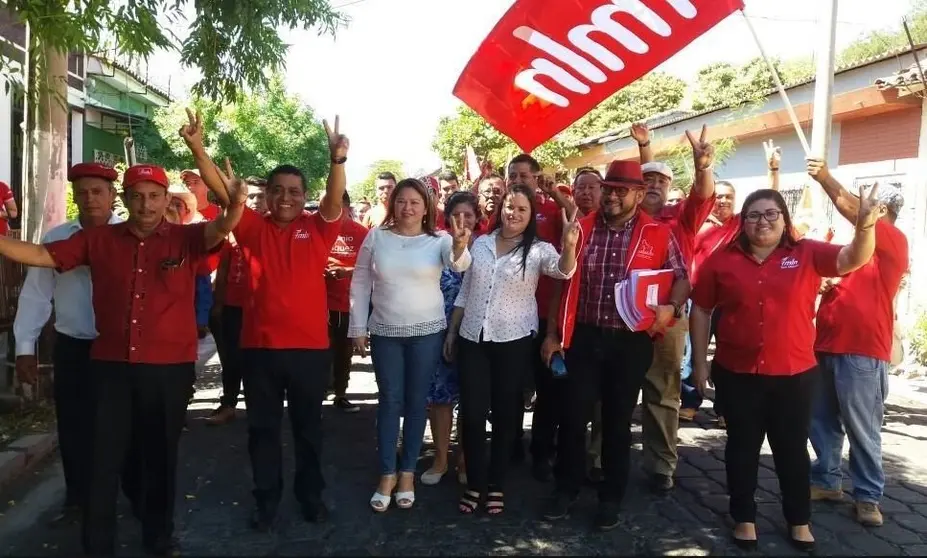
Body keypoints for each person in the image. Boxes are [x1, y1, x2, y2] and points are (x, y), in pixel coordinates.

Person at [0, 160, 243, 555]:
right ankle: (98, 545)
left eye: (153, 196)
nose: (146, 205)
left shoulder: (187, 239)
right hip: (110, 367)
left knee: (159, 458)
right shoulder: (98, 240)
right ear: (126, 200)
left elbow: (225, 226)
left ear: (165, 199)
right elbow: (41, 256)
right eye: (138, 197)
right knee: (102, 459)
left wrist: (234, 201)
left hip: (169, 370)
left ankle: (158, 538)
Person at [182, 109, 349, 531]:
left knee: (310, 432)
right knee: (262, 433)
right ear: (268, 195)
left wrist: (338, 161)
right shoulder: (252, 228)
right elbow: (224, 194)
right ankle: (267, 501)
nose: (286, 198)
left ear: (303, 195)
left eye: (294, 191)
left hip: (310, 352)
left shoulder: (320, 227)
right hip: (259, 351)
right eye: (278, 191)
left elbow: (333, 200)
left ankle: (311, 498)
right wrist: (198, 148)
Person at [690, 187, 882, 551]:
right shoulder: (721, 260)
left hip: (794, 375)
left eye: (770, 214)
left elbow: (852, 259)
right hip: (737, 372)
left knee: (791, 449)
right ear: (742, 222)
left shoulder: (807, 252)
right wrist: (700, 363)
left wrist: (865, 227)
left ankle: (799, 519)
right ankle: (744, 517)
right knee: (742, 448)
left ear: (784, 219)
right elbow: (700, 310)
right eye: (753, 215)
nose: (762, 221)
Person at [540, 159, 690, 531]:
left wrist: (671, 307)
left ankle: (611, 497)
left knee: (617, 421)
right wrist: (553, 334)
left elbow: (682, 278)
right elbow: (562, 280)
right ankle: (566, 488)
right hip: (585, 337)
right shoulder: (582, 228)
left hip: (631, 340)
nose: (610, 196)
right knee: (573, 416)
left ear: (638, 195)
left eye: (620, 190)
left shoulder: (657, 232)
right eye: (608, 188)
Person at [450, 184, 579, 516]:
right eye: (510, 207)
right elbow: (464, 285)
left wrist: (569, 245)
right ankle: (475, 483)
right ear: (501, 208)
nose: (514, 214)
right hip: (472, 338)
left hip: (513, 340)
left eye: (522, 209)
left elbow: (564, 270)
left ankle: (496, 484)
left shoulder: (538, 249)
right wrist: (452, 331)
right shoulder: (479, 243)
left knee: (507, 416)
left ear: (530, 214)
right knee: (474, 415)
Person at [348, 178, 471, 513]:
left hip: (427, 332)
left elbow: (459, 264)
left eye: (415, 201)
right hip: (385, 331)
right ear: (393, 204)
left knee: (418, 402)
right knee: (389, 400)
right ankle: (386, 472)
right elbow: (360, 282)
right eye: (401, 201)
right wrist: (357, 326)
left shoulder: (441, 239)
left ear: (426, 206)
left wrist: (460, 246)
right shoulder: (377, 237)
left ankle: (407, 474)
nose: (408, 207)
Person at [12, 163, 122, 525]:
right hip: (74, 347)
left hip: (124, 350)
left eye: (98, 191)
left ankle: (133, 497)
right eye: (83, 192)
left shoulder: (133, 235)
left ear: (112, 195)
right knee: (74, 428)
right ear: (75, 196)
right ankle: (78, 500)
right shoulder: (57, 238)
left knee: (126, 426)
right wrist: (25, 348)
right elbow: (36, 296)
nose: (90, 199)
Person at [807, 159, 909, 527]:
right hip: (826, 343)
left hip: (864, 349)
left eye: (871, 205)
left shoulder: (894, 241)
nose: (860, 207)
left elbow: (849, 206)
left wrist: (824, 178)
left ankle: (868, 496)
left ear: (883, 212)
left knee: (863, 427)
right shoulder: (850, 245)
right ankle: (826, 480)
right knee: (821, 421)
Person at [629, 123, 716, 494]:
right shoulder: (622, 217)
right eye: (646, 181)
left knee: (663, 393)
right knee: (611, 392)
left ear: (670, 188)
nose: (653, 186)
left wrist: (702, 166)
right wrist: (645, 147)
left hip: (670, 316)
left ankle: (662, 465)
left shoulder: (682, 216)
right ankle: (599, 458)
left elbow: (702, 192)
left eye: (661, 182)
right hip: (622, 317)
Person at [422, 191, 480, 488]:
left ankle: (465, 458)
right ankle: (441, 458)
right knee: (440, 399)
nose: (463, 221)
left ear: (477, 218)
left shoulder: (485, 248)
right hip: (438, 331)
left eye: (468, 215)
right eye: (457, 215)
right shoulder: (436, 246)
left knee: (472, 400)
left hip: (476, 335)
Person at [205, 177, 268, 426]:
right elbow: (223, 268)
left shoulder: (274, 228)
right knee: (230, 357)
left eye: (260, 196)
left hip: (261, 308)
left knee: (259, 361)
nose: (255, 201)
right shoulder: (231, 228)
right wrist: (218, 303)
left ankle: (259, 407)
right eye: (251, 196)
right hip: (232, 304)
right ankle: (228, 403)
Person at [326, 190, 369, 413]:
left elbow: (372, 267)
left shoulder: (361, 232)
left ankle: (341, 393)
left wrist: (346, 271)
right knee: (319, 351)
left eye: (338, 206)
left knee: (343, 351)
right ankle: (317, 391)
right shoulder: (318, 228)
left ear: (347, 206)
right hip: (318, 302)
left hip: (347, 302)